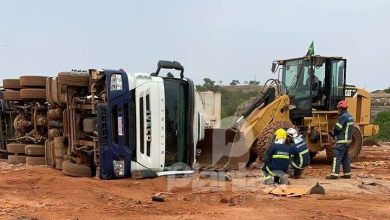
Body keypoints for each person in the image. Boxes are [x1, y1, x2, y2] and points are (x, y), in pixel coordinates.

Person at [326, 100, 354, 179]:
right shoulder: (350, 116)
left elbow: (338, 128)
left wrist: (332, 133)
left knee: (336, 157)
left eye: (338, 109)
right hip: (348, 141)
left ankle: (334, 174)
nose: (338, 111)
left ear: (341, 109)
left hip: (342, 141)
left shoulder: (343, 117)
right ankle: (347, 173)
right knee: (345, 157)